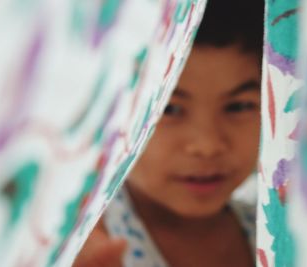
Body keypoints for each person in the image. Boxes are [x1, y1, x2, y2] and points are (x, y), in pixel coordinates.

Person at [74, 0, 263, 266]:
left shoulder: (276, 230)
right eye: (169, 109)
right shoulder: (81, 244)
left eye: (239, 106)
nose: (206, 144)